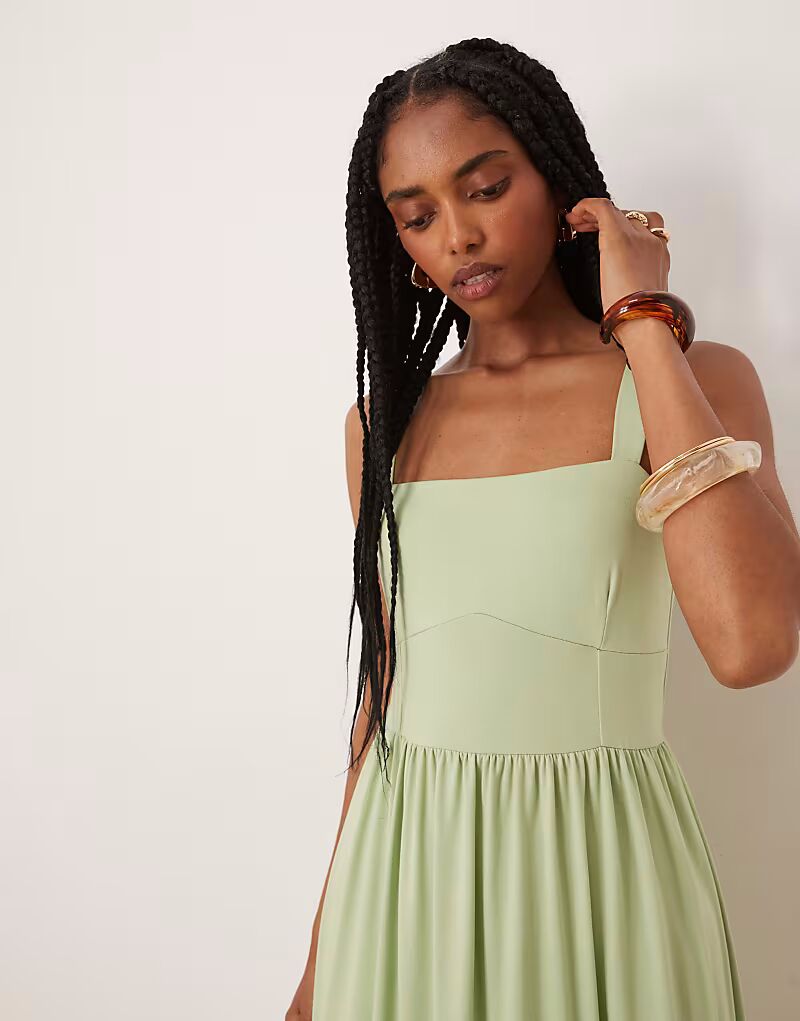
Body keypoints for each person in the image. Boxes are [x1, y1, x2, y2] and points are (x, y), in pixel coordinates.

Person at [286, 37, 799, 1021]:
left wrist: (641, 318)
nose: (458, 237)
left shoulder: (695, 382)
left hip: (600, 871)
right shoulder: (381, 430)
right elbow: (382, 698)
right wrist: (321, 955)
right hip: (406, 882)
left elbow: (751, 645)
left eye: (485, 188)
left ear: (557, 181)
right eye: (417, 216)